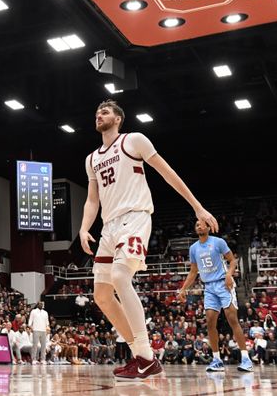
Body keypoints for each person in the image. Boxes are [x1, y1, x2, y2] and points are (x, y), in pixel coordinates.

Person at [79, 99, 219, 381]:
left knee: (120, 276)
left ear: (118, 119)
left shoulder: (134, 140)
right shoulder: (91, 158)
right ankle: (142, 356)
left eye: (105, 112)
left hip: (135, 217)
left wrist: (197, 206)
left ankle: (145, 356)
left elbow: (167, 174)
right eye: (97, 112)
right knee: (101, 295)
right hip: (109, 226)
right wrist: (83, 228)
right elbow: (92, 199)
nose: (99, 115)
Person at [178, 221, 253, 373]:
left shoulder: (218, 242)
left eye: (201, 224)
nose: (199, 226)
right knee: (210, 322)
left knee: (232, 320)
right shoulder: (193, 248)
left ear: (208, 227)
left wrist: (229, 275)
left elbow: (233, 260)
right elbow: (193, 272)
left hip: (223, 285)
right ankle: (217, 359)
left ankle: (246, 358)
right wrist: (183, 289)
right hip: (209, 287)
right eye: (196, 224)